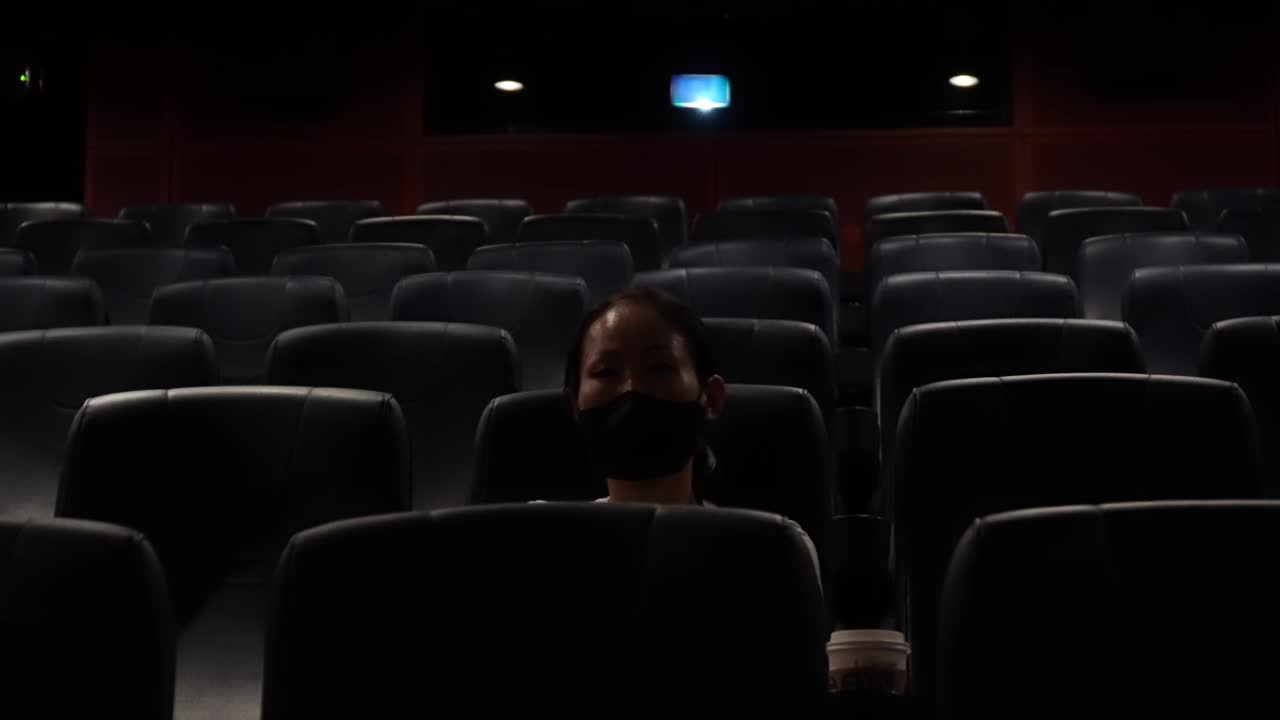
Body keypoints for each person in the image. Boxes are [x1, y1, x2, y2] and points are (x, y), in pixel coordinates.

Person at [564, 286, 726, 505]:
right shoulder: (538, 533)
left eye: (659, 368)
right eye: (606, 372)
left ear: (711, 398)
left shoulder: (764, 538)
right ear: (574, 404)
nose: (632, 388)